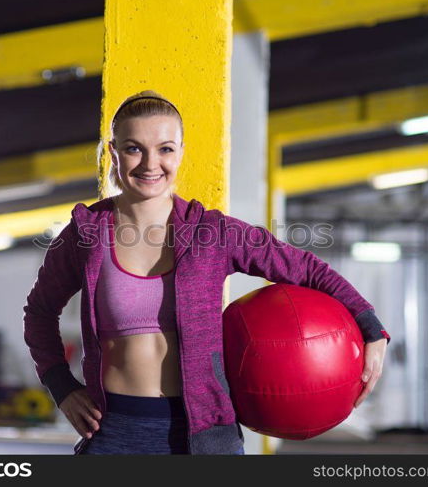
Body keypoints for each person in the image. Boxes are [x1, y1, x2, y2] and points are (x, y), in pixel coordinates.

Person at [22, 90, 391, 455]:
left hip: (205, 435)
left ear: (181, 152)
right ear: (113, 152)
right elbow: (39, 311)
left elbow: (307, 269)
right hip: (115, 429)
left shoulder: (212, 232)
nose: (151, 163)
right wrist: (61, 386)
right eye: (134, 148)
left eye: (165, 148)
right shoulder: (86, 233)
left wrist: (371, 327)